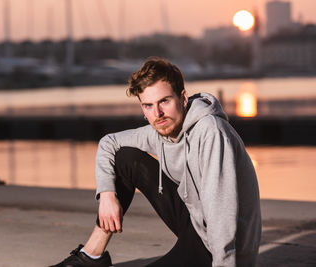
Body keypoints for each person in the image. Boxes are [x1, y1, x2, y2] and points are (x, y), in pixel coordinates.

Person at [49, 57, 261, 267]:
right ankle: (91, 256)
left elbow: (221, 214)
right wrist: (106, 194)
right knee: (126, 158)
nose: (157, 114)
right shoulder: (160, 129)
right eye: (148, 106)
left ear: (183, 98)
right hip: (195, 223)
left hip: (223, 247)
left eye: (164, 101)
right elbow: (108, 143)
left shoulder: (210, 132)